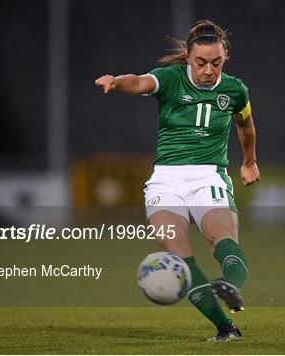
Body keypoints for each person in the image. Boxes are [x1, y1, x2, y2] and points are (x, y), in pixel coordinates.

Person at [95, 20, 260, 342]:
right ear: (187, 56)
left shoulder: (235, 90)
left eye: (216, 62)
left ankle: (230, 287)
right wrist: (117, 82)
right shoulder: (170, 79)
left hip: (208, 175)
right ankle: (226, 328)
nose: (209, 70)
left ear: (225, 57)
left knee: (219, 238)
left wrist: (250, 162)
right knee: (178, 253)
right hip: (165, 182)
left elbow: (247, 126)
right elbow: (140, 82)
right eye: (201, 62)